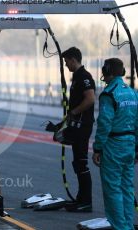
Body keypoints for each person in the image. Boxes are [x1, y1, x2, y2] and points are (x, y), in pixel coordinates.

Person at [92, 58, 137, 230]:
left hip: (113, 145)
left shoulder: (109, 93)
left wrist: (97, 148)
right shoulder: (133, 93)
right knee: (127, 188)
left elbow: (104, 123)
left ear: (107, 71)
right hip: (130, 145)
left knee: (113, 190)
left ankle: (120, 227)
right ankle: (127, 226)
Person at [62, 47, 95, 212]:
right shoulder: (76, 77)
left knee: (82, 163)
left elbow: (90, 98)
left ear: (73, 59)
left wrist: (74, 112)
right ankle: (81, 198)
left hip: (83, 126)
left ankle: (86, 202)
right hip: (76, 126)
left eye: (66, 61)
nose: (65, 64)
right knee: (77, 162)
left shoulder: (84, 76)